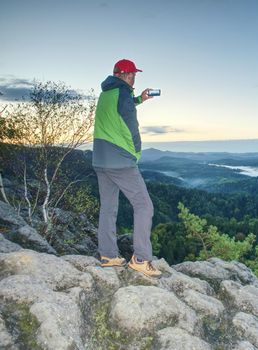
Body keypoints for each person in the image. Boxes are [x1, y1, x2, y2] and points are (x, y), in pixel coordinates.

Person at [92, 58, 161, 277]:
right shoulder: (122, 94)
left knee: (108, 208)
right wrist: (136, 154)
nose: (135, 79)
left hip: (100, 160)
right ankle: (140, 259)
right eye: (133, 75)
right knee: (144, 206)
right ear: (126, 75)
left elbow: (121, 107)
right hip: (120, 160)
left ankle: (108, 255)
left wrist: (140, 99)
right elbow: (132, 128)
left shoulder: (107, 93)